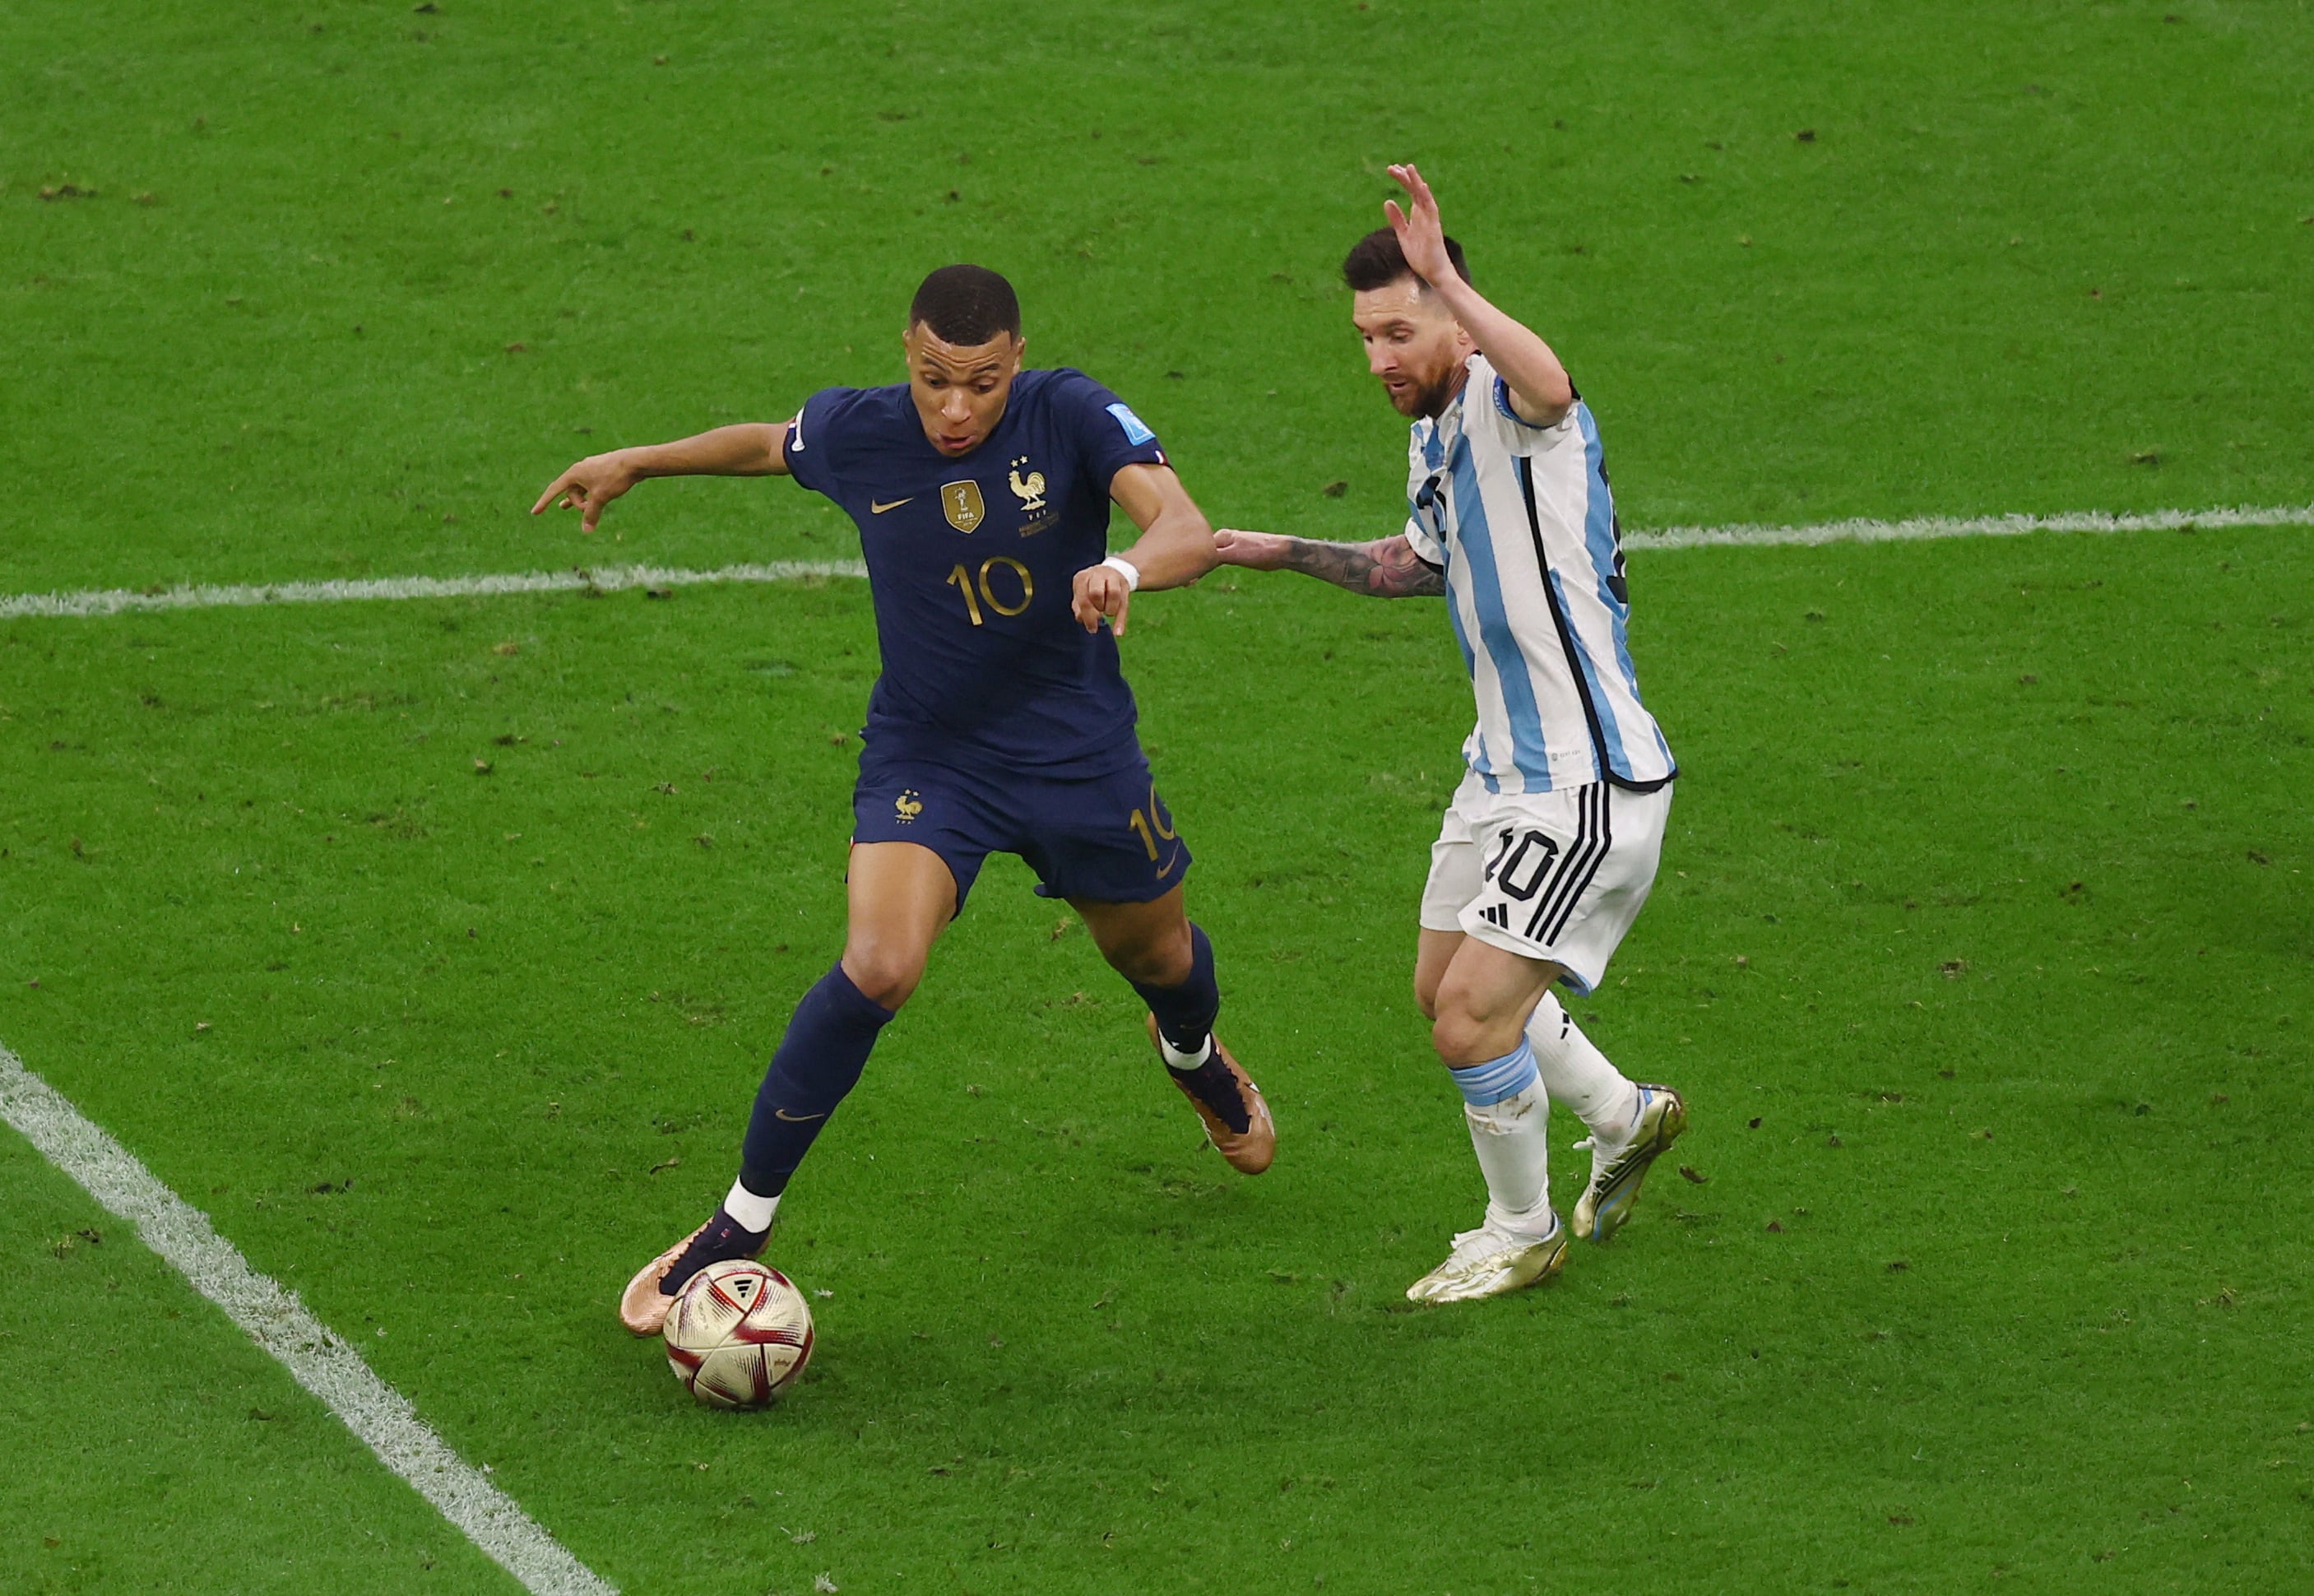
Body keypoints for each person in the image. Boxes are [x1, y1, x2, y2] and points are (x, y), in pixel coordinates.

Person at [532, 264, 1276, 1337]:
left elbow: (1185, 524)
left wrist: (1127, 569)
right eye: (934, 380)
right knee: (879, 962)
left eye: (979, 382)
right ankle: (739, 1221)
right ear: (907, 357)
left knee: (1157, 959)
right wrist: (633, 462)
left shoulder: (1067, 412)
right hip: (931, 757)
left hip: (1073, 752)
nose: (956, 408)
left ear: (1015, 359)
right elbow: (763, 442)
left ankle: (1192, 1055)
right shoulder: (863, 433)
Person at [1212, 167, 1683, 1304]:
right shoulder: (1433, 437)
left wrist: (1450, 290)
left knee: (1474, 1021)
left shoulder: (1514, 408)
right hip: (1499, 772)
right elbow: (1412, 565)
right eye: (1364, 337)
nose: (1376, 358)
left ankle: (1517, 1230)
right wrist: (1259, 549)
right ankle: (1622, 1115)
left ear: (1452, 313)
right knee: (1443, 988)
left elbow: (1552, 381)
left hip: (1582, 781)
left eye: (1397, 330)